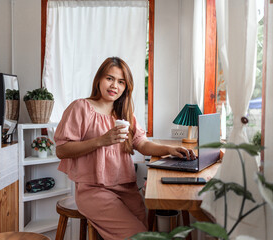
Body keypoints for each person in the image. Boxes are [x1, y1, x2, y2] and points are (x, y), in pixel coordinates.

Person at [54, 57, 196, 240]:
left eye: (121, 82)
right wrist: (101, 141)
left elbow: (142, 144)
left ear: (126, 87)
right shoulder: (81, 107)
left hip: (126, 188)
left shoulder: (125, 114)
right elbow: (62, 150)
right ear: (99, 79)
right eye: (110, 78)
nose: (115, 85)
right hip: (93, 190)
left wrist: (169, 149)